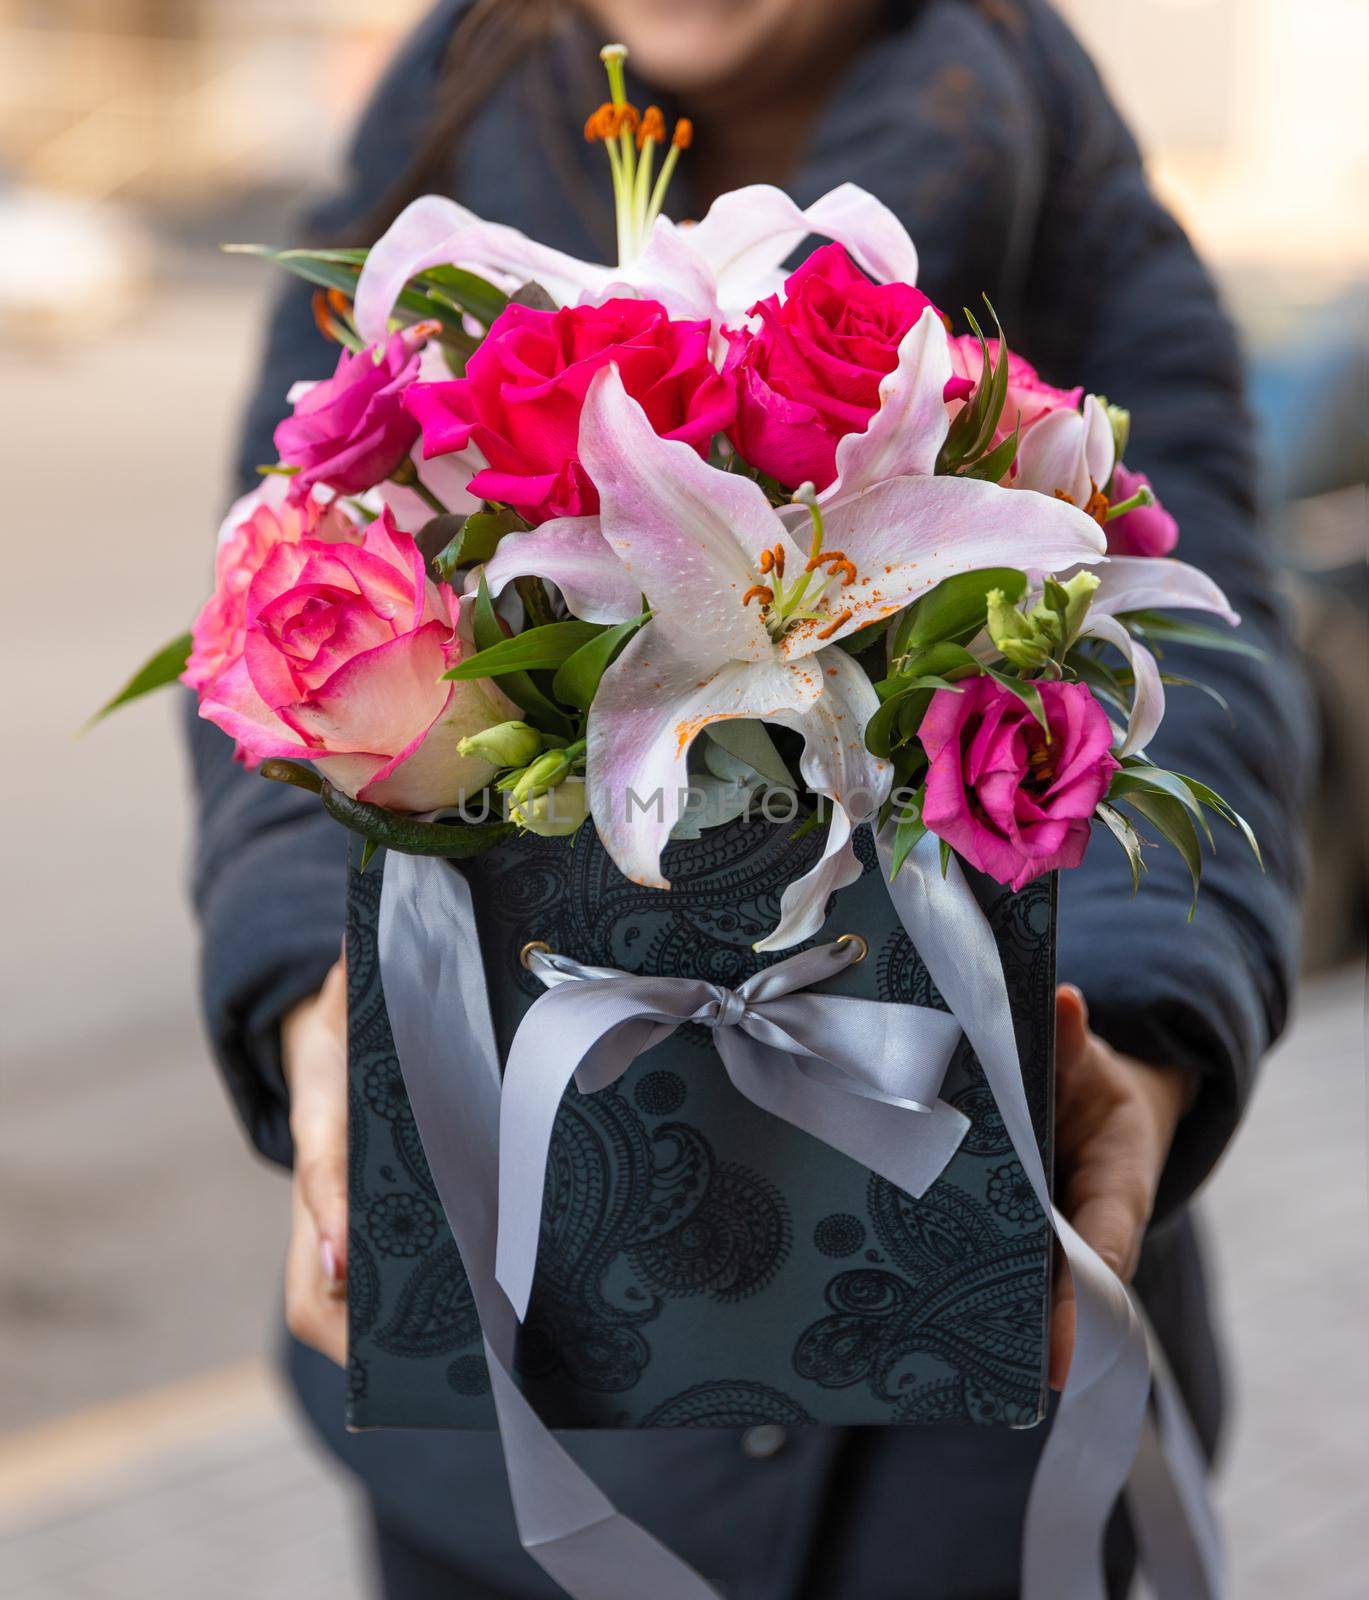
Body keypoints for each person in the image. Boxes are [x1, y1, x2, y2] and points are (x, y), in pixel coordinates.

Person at [182, 2, 1313, 1595]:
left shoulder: (1049, 149)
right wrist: (321, 1019)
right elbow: (289, 619)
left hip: (963, 1448)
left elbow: (1200, 650)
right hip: (506, 1446)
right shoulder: (434, 126)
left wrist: (1137, 1033)